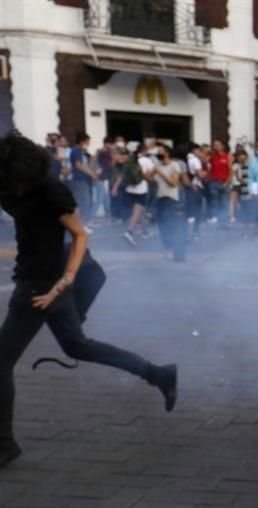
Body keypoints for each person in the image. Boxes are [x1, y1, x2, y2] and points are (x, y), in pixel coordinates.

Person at [0, 131, 177, 470]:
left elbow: (80, 235)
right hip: (38, 279)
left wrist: (64, 282)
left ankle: (4, 446)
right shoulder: (7, 186)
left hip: (42, 286)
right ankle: (158, 374)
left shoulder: (50, 190)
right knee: (77, 346)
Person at [117, 143, 155, 246]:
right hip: (141, 189)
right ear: (145, 150)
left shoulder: (132, 160)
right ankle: (129, 232)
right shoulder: (147, 161)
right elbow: (150, 175)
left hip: (130, 189)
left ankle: (144, 231)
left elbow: (123, 174)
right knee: (137, 212)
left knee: (140, 211)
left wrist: (115, 187)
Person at [152, 144, 183, 260]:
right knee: (161, 225)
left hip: (170, 198)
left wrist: (161, 173)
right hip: (160, 197)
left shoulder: (174, 165)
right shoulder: (158, 165)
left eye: (161, 151)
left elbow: (173, 183)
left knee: (169, 224)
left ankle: (172, 248)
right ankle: (166, 247)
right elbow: (150, 179)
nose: (159, 154)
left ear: (167, 153)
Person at [68, 133, 98, 230]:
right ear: (82, 141)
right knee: (84, 203)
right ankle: (81, 226)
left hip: (83, 180)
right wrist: (91, 174)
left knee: (84, 203)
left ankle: (82, 224)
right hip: (79, 180)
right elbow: (78, 165)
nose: (89, 143)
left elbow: (84, 165)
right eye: (88, 141)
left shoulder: (81, 151)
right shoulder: (77, 150)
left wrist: (91, 173)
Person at [207, 139, 231, 227]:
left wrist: (227, 182)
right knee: (215, 201)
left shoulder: (227, 156)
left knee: (224, 202)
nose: (216, 146)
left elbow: (231, 171)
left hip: (224, 182)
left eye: (217, 145)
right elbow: (209, 168)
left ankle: (224, 221)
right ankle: (216, 218)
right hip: (214, 182)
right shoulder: (212, 157)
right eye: (214, 145)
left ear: (222, 146)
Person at [94, 136, 114, 221]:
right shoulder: (102, 152)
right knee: (100, 198)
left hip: (104, 177)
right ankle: (90, 218)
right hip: (100, 178)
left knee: (106, 199)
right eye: (109, 144)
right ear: (106, 143)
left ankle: (108, 216)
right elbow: (109, 165)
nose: (110, 145)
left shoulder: (107, 152)